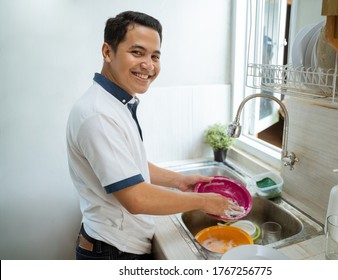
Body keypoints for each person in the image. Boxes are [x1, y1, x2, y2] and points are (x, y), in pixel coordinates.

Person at [66, 11, 241, 260]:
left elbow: (128, 165)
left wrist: (179, 181)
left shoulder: (117, 102)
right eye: (137, 52)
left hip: (117, 244)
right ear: (107, 52)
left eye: (155, 56)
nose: (148, 65)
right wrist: (203, 201)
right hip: (113, 251)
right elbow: (136, 198)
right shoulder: (98, 114)